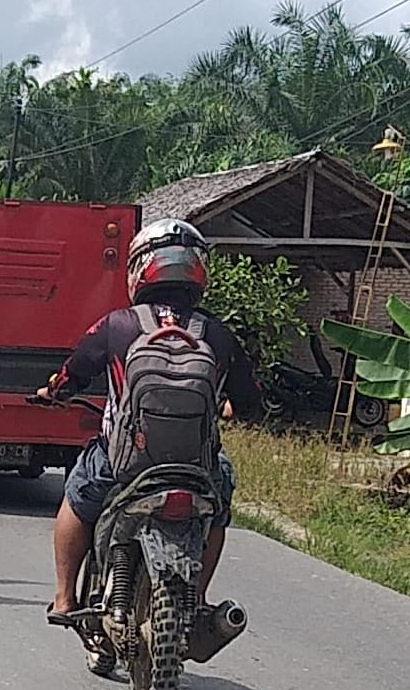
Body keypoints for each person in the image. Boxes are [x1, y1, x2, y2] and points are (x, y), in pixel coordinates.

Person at [34, 218, 262, 626]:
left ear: (140, 269)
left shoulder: (118, 325)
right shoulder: (218, 334)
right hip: (198, 468)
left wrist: (53, 392)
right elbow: (249, 398)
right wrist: (231, 407)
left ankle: (66, 598)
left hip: (125, 461)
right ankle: (197, 599)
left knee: (78, 497)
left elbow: (73, 372)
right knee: (217, 514)